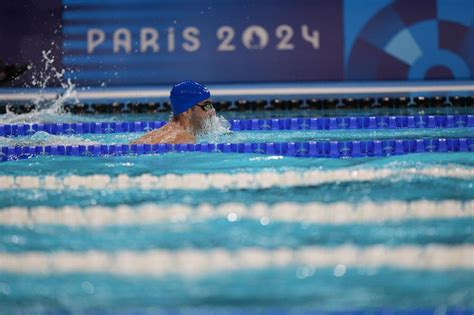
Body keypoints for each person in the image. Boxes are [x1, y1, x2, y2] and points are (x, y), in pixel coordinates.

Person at [131, 80, 216, 144]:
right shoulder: (184, 139)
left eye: (211, 106)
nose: (212, 111)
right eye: (206, 106)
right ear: (186, 111)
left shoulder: (157, 133)